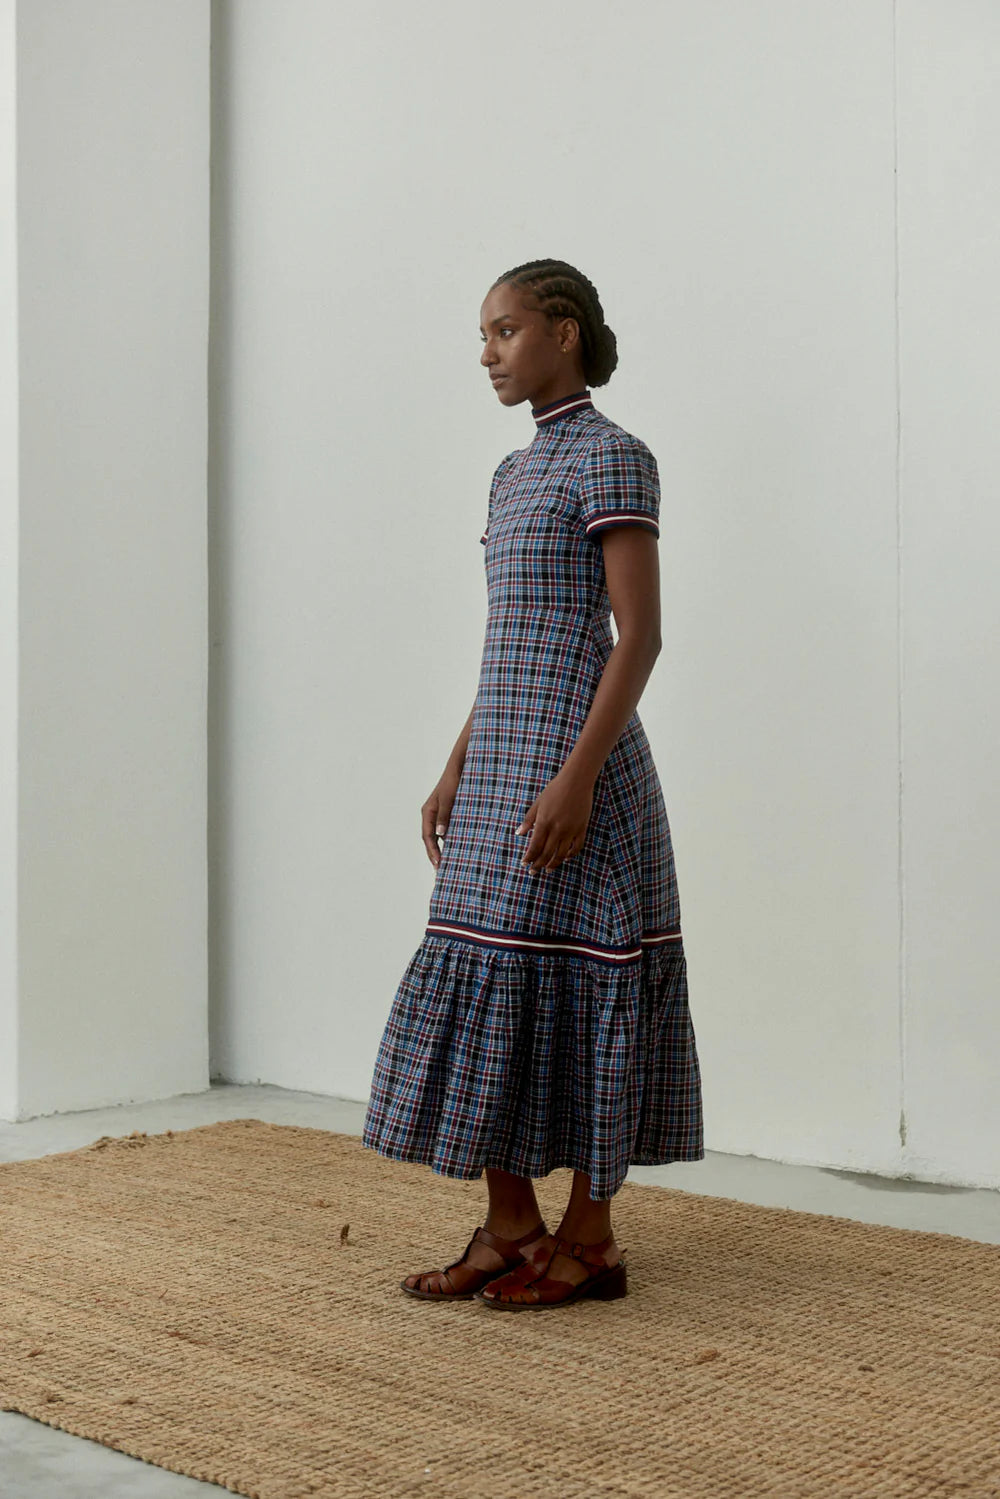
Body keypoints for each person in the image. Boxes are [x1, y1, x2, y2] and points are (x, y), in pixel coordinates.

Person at [361, 258, 704, 1311]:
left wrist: (578, 779)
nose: (486, 354)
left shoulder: (615, 457)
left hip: (577, 769)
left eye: (503, 330)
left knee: (588, 986)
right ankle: (511, 1226)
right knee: (483, 976)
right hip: (500, 764)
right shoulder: (512, 474)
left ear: (563, 331)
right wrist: (457, 761)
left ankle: (591, 1239)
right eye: (483, 335)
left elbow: (637, 637)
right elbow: (515, 638)